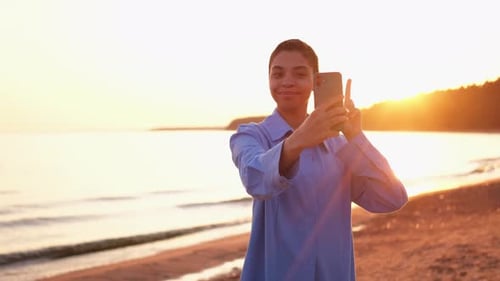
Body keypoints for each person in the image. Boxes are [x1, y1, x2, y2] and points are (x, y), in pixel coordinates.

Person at [229, 38, 408, 281]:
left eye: (300, 74)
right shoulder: (250, 136)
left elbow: (392, 197)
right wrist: (299, 140)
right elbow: (255, 178)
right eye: (278, 74)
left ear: (316, 82)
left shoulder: (341, 146)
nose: (287, 82)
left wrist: (355, 136)